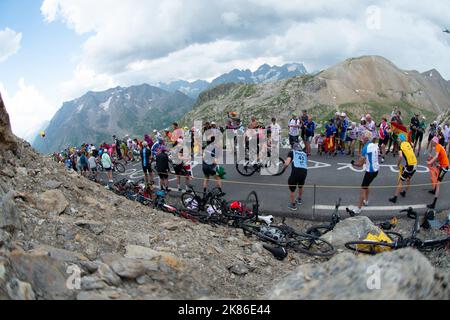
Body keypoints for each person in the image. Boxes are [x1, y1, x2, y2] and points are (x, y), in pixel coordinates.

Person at [347, 131, 379, 215]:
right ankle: (366, 200)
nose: (361, 138)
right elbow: (372, 157)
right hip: (376, 169)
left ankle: (359, 208)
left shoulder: (366, 148)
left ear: (366, 138)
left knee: (362, 188)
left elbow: (360, 164)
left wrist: (353, 163)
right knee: (367, 185)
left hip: (370, 171)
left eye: (363, 136)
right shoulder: (375, 145)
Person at [389, 134, 418, 203]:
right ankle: (404, 192)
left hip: (410, 166)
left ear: (401, 139)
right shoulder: (407, 143)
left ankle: (395, 198)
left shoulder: (400, 146)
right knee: (408, 179)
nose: (397, 140)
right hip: (415, 163)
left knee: (401, 181)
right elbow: (411, 148)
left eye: (398, 139)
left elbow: (401, 156)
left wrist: (398, 164)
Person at [283, 142, 308, 211]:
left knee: (292, 188)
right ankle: (299, 199)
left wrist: (284, 167)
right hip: (304, 171)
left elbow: (287, 163)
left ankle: (293, 204)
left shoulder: (292, 152)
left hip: (296, 171)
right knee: (301, 185)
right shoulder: (304, 154)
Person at [427, 137, 449, 209]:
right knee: (436, 180)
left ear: (435, 142)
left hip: (444, 167)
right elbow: (438, 158)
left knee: (438, 183)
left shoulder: (438, 146)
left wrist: (430, 162)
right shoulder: (438, 147)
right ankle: (434, 191)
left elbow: (436, 156)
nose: (431, 143)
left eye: (432, 141)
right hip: (442, 165)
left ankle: (434, 204)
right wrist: (432, 160)